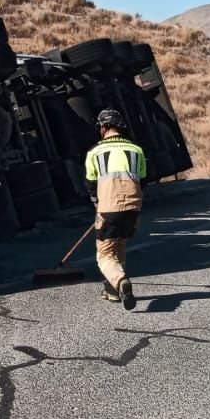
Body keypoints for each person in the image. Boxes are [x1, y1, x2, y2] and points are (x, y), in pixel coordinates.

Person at [85, 109, 148, 310]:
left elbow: (90, 184)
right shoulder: (137, 149)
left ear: (103, 128)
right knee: (118, 243)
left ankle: (120, 280)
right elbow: (143, 179)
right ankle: (113, 292)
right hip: (134, 207)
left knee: (103, 255)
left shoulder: (94, 152)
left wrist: (97, 204)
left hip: (109, 207)